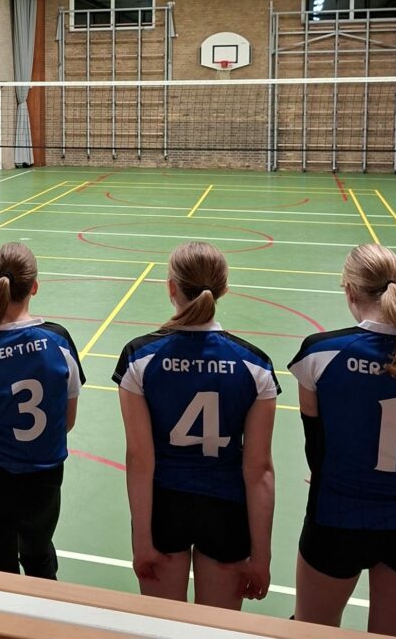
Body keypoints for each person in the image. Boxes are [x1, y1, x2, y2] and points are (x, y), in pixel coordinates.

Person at [288, 244, 396, 639]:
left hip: (335, 519)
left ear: (350, 291)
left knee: (311, 633)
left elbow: (316, 444)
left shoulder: (319, 354)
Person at [114, 241, 278, 609]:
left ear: (171, 287)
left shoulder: (139, 358)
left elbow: (140, 459)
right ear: (224, 289)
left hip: (165, 507)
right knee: (216, 629)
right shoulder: (255, 365)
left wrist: (142, 541)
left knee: (163, 626)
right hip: (227, 510)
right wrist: (262, 557)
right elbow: (259, 471)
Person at [0, 242, 83, 579]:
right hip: (45, 475)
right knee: (39, 556)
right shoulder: (60, 342)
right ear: (34, 287)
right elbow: (67, 420)